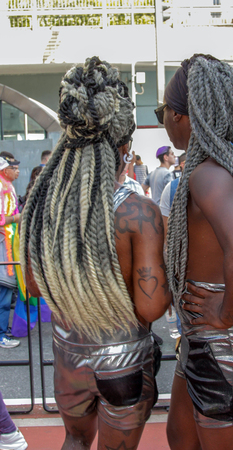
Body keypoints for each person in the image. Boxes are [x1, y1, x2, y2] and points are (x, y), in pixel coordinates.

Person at [20, 56, 171, 450]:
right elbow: (152, 307)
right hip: (123, 362)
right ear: (125, 145)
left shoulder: (44, 205)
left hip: (68, 357)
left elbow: (35, 288)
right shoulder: (138, 213)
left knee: (73, 440)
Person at [155, 54, 233, 450]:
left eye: (163, 111)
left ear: (180, 116)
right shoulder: (223, 167)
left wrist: (224, 315)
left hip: (229, 346)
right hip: (207, 342)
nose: (163, 118)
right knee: (181, 437)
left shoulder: (208, 173)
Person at [0, 155, 21, 349]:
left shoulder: (8, 186)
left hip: (8, 242)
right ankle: (0, 335)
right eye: (13, 168)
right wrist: (18, 218)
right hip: (2, 244)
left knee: (6, 291)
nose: (17, 171)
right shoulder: (1, 187)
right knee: (4, 291)